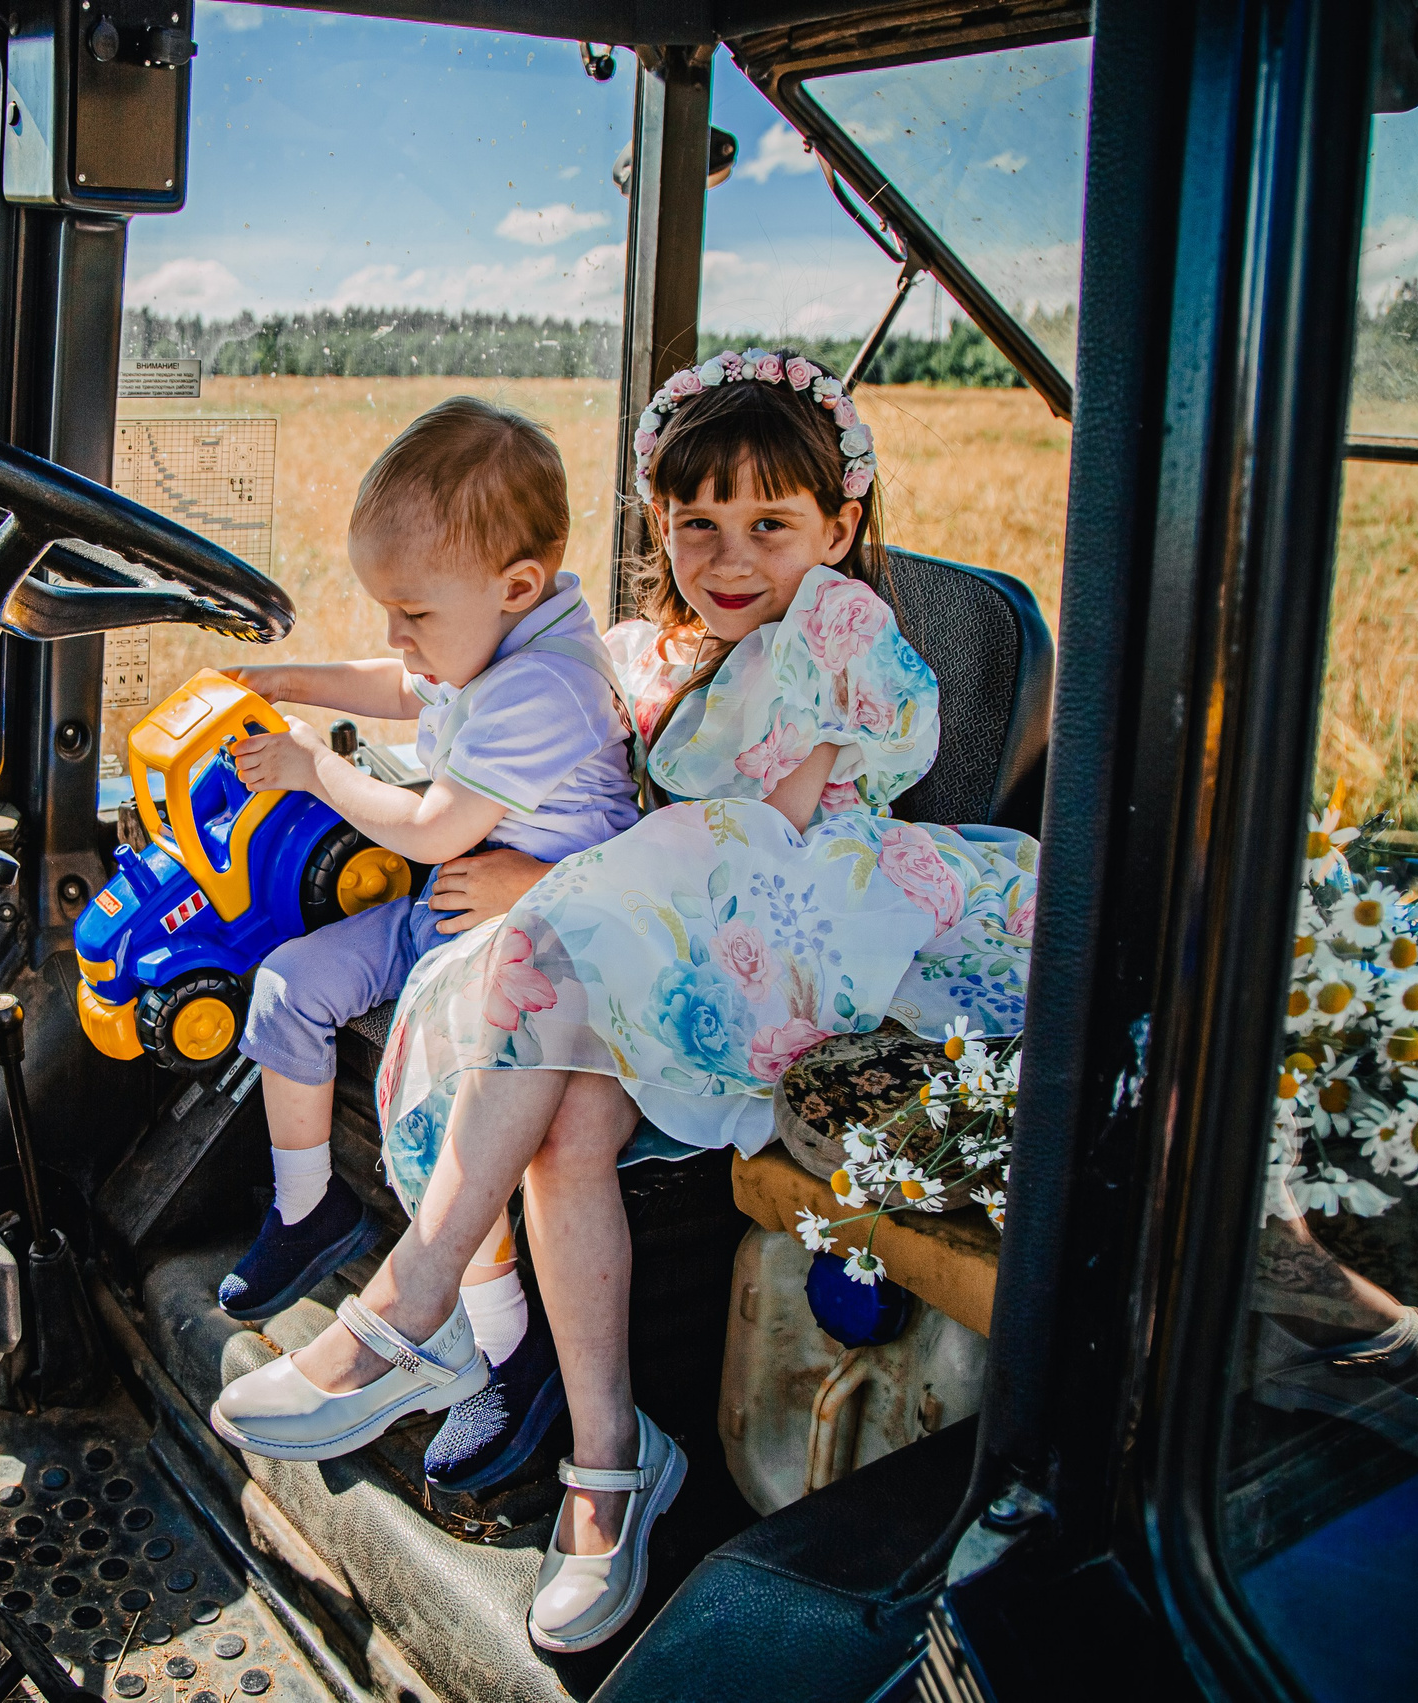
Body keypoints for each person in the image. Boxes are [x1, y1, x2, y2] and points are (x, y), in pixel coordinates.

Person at [211, 349, 1040, 1653]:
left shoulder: (836, 636)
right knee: (562, 1125)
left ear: (839, 527)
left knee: (546, 959)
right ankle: (610, 1462)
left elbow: (753, 836)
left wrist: (558, 884)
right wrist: (314, 694)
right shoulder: (643, 647)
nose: (729, 553)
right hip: (658, 926)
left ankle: (410, 1307)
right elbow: (579, 776)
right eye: (695, 521)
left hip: (805, 926)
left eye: (771, 524)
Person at [212, 395, 641, 1495]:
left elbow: (428, 825)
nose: (399, 636)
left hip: (537, 953)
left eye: (411, 610)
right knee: (288, 986)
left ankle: (500, 1351)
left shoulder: (544, 680)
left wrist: (313, 765)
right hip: (451, 914)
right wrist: (287, 681)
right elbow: (403, 684)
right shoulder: (481, 639)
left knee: (445, 1108)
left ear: (516, 587)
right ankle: (309, 1208)